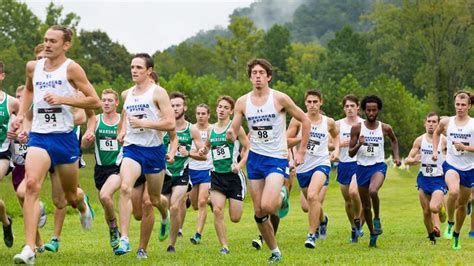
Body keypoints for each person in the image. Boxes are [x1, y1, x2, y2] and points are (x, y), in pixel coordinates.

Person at [12, 25, 101, 264]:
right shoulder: (33, 67)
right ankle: (30, 248)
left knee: (69, 196)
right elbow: (29, 91)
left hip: (64, 137)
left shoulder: (72, 68)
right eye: (45, 40)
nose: (48, 44)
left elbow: (96, 101)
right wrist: (21, 115)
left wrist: (63, 99)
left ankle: (82, 204)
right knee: (31, 185)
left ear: (66, 44)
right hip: (40, 136)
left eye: (53, 41)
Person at [227, 58, 310, 263]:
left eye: (261, 73)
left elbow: (305, 120)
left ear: (269, 77)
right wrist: (230, 133)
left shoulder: (279, 99)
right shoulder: (242, 102)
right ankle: (275, 252)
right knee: (258, 211)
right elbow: (235, 127)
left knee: (269, 206)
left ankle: (282, 194)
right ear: (250, 77)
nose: (257, 76)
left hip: (276, 158)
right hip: (255, 159)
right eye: (254, 73)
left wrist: (300, 152)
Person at [114, 53, 174, 256]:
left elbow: (170, 124)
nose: (134, 70)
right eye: (132, 67)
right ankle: (125, 240)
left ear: (149, 71)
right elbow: (125, 116)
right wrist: (122, 131)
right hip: (132, 149)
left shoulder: (159, 93)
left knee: (154, 200)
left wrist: (145, 123)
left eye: (139, 67)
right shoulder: (126, 94)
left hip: (154, 151)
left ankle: (165, 214)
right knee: (124, 188)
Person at [287, 89, 339, 248]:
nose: (312, 105)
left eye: (315, 102)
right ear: (305, 103)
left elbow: (336, 136)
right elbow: (287, 141)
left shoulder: (328, 121)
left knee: (312, 195)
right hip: (302, 167)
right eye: (309, 102)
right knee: (309, 203)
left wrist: (336, 150)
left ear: (321, 102)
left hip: (321, 163)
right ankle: (323, 220)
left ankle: (311, 235)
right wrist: (293, 155)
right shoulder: (297, 120)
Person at [199, 95, 249, 254]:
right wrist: (203, 150)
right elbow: (207, 146)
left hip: (234, 177)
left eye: (226, 108)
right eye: (220, 107)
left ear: (231, 111)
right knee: (217, 210)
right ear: (216, 109)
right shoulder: (211, 129)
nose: (222, 110)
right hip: (217, 176)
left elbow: (248, 148)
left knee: (235, 217)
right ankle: (224, 246)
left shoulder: (235, 129)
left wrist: (240, 165)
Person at [349, 95, 401, 248]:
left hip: (378, 166)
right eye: (368, 110)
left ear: (378, 110)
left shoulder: (385, 128)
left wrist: (396, 157)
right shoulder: (357, 128)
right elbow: (351, 153)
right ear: (364, 110)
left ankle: (377, 218)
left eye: (374, 110)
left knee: (373, 191)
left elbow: (394, 140)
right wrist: (359, 144)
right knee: (365, 207)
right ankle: (373, 233)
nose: (371, 113)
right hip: (361, 168)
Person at [162, 92, 204, 253]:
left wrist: (190, 153)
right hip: (164, 173)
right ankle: (165, 221)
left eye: (178, 105)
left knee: (174, 207)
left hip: (182, 174)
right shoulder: (164, 126)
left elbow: (203, 154)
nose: (175, 108)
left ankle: (171, 244)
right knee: (163, 206)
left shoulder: (191, 129)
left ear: (184, 107)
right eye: (172, 105)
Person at [81, 88, 122, 250]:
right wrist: (87, 138)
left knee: (105, 196)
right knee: (106, 203)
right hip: (100, 169)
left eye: (110, 100)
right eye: (103, 100)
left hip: (119, 167)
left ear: (116, 103)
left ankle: (114, 229)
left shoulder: (122, 121)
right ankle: (113, 228)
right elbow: (83, 145)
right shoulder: (95, 120)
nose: (106, 103)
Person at [432, 90, 474, 250]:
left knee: (462, 204)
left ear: (469, 106)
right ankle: (450, 223)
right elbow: (436, 133)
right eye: (457, 104)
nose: (460, 107)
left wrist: (466, 147)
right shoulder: (447, 122)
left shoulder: (473, 124)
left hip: (469, 169)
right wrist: (435, 151)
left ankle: (456, 234)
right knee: (453, 192)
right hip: (451, 165)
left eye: (463, 105)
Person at [405, 112, 447, 244]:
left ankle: (441, 208)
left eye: (434, 122)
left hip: (439, 179)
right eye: (429, 121)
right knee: (426, 211)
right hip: (423, 178)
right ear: (425, 123)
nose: (431, 124)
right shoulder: (419, 140)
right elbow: (408, 159)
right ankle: (432, 235)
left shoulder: (444, 140)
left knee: (433, 207)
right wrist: (414, 160)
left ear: (438, 124)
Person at [335, 95, 364, 243]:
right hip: (344, 164)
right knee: (348, 201)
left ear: (358, 107)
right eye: (347, 106)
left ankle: (358, 220)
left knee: (354, 192)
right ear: (344, 108)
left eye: (352, 106)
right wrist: (341, 144)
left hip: (360, 164)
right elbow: (328, 144)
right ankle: (353, 227)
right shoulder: (337, 125)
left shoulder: (364, 124)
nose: (350, 109)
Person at [188, 104, 213, 244]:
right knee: (195, 205)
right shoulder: (191, 129)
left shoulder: (212, 129)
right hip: (192, 169)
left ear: (209, 115)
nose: (201, 116)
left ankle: (197, 234)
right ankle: (211, 200)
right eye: (198, 113)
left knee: (201, 202)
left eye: (203, 113)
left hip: (207, 168)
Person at [0, 61, 18, 249]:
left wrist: (19, 130)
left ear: (2, 76)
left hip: (2, 154)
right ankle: (6, 222)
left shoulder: (12, 102)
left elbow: (26, 121)